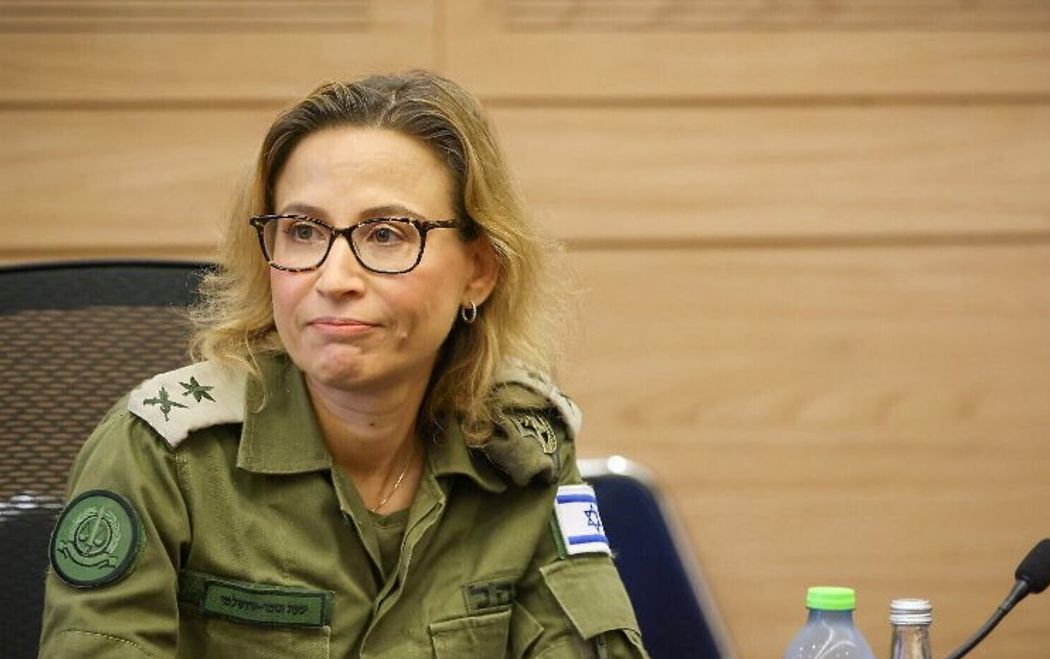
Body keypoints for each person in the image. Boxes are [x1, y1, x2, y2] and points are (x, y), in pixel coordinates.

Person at [39, 71, 648, 658]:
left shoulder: (521, 446)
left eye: (385, 234)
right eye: (303, 231)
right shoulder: (163, 455)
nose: (333, 279)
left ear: (478, 271)